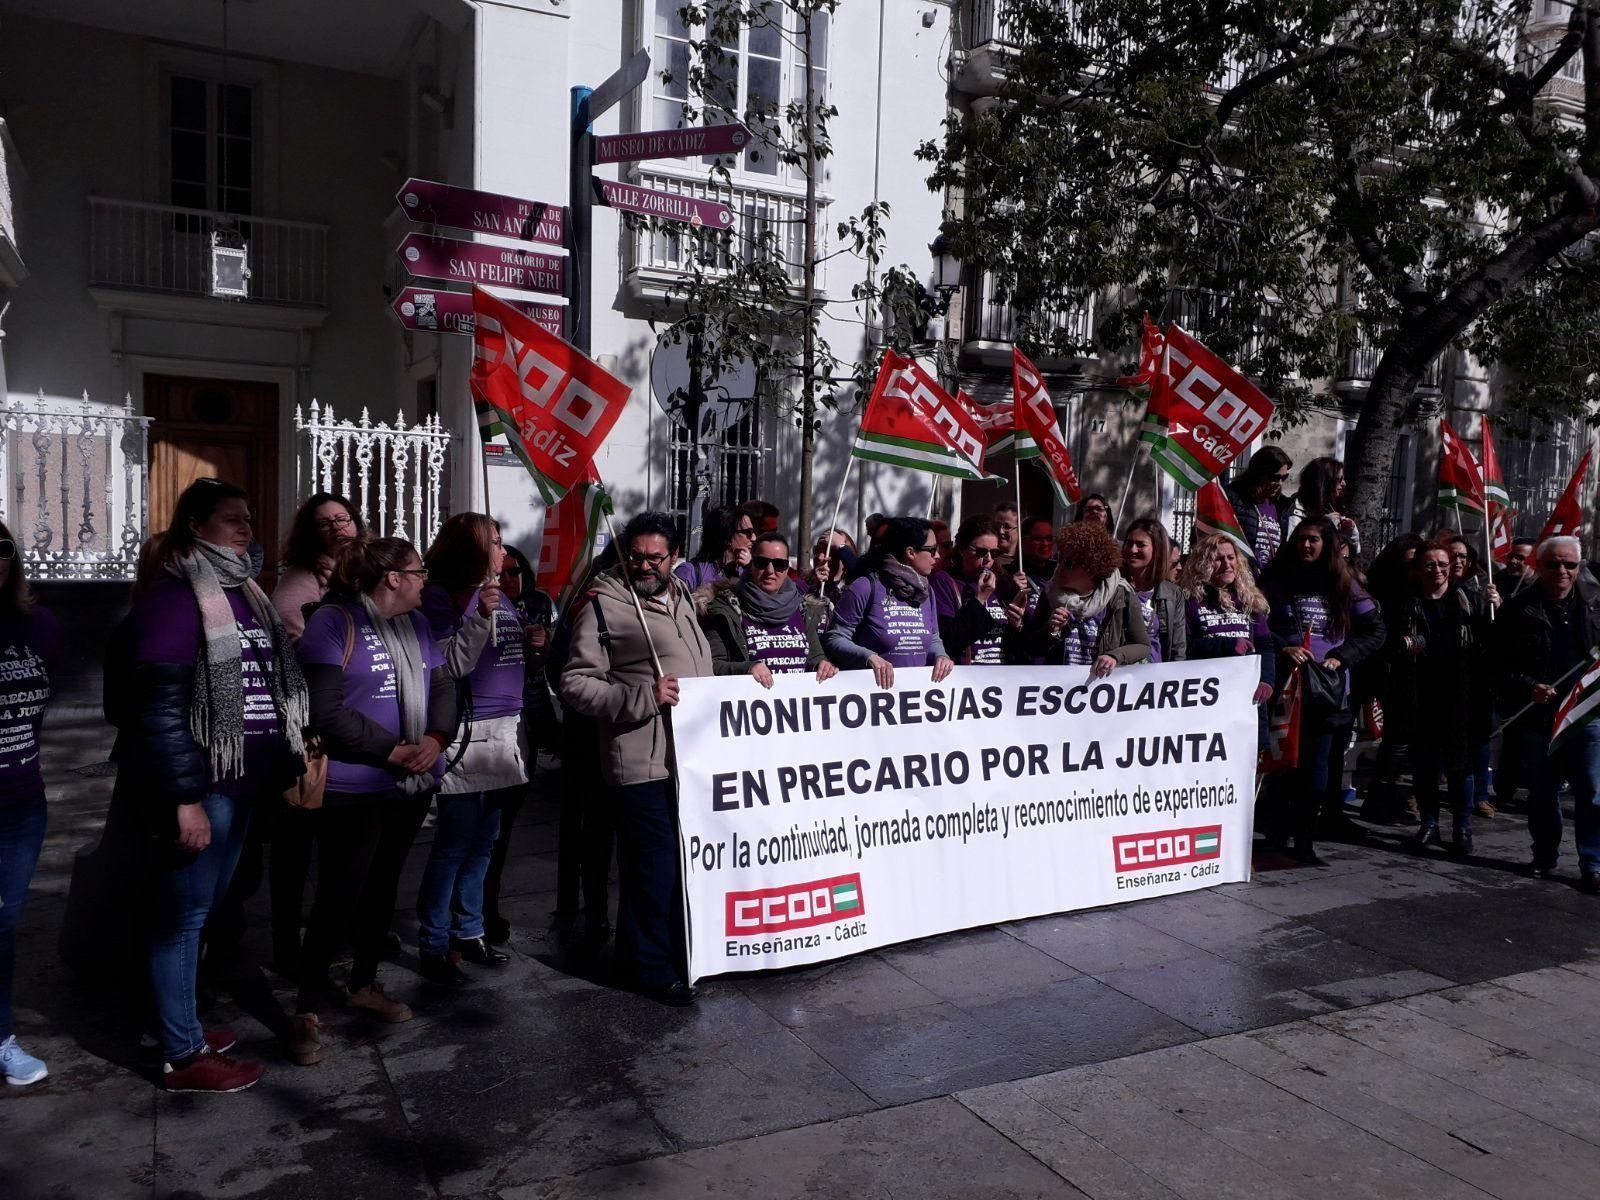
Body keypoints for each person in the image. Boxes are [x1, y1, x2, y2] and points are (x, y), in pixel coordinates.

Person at [127, 479, 308, 1092]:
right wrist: (184, 799)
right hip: (203, 789)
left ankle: (177, 1020)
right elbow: (159, 708)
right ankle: (181, 1053)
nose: (246, 529)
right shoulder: (175, 599)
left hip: (241, 785)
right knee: (181, 917)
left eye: (249, 518)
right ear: (194, 526)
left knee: (202, 913)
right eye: (231, 519)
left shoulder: (246, 594)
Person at [561, 512, 747, 1005]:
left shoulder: (681, 596)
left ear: (675, 558)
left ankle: (650, 954)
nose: (645, 565)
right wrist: (643, 695)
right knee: (653, 867)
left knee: (679, 865)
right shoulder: (603, 605)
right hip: (640, 759)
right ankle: (648, 970)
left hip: (690, 759)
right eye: (637, 556)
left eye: (655, 557)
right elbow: (575, 683)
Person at [291, 537, 458, 1065]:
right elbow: (325, 709)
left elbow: (445, 685)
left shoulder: (419, 625)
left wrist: (435, 739)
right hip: (353, 784)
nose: (424, 579)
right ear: (391, 577)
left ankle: (363, 982)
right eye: (418, 571)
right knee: (339, 895)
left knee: (383, 887)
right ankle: (306, 1007)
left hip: (406, 783)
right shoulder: (334, 623)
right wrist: (393, 748)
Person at [417, 514, 524, 983]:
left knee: (485, 841)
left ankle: (470, 930)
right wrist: (479, 613)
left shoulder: (501, 595)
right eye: (495, 544)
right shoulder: (440, 599)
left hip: (507, 728)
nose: (504, 553)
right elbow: (452, 665)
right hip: (468, 731)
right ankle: (434, 941)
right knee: (453, 844)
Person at [1262, 517, 1385, 864]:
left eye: (1314, 540)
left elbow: (1376, 632)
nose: (1306, 546)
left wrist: (1341, 657)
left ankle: (1305, 841)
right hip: (1287, 689)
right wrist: (1283, 645)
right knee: (1282, 766)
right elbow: (1258, 626)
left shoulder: (1346, 585)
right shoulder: (1279, 579)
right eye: (1301, 539)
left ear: (1327, 544)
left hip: (1328, 693)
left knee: (1316, 771)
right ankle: (1275, 834)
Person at [1497, 535, 1600, 889]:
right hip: (1540, 717)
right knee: (1542, 792)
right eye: (1553, 564)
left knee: (1592, 791)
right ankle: (1544, 855)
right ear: (1538, 566)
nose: (1562, 571)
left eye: (1570, 565)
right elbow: (1499, 664)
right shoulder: (1518, 608)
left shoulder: (1595, 604)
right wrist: (1529, 686)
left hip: (1587, 713)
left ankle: (1593, 864)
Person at [1387, 545, 1498, 854]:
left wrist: (1495, 610)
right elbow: (1394, 643)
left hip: (1461, 695)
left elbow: (1491, 642)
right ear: (1419, 569)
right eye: (1429, 564)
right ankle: (1430, 824)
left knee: (1460, 767)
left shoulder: (1469, 600)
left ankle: (1462, 827)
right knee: (1425, 767)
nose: (1437, 569)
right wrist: (1406, 645)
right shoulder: (1409, 604)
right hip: (1421, 694)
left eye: (1442, 563)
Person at [0, 522, 60, 1087]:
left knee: (5, 925)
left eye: (0, 549)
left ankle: (2, 1038)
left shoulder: (37, 625)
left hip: (21, 803)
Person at [483, 544, 554, 946]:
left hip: (524, 733)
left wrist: (540, 647)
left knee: (501, 830)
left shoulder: (533, 610)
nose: (509, 579)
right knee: (481, 835)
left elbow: (538, 674)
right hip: (489, 734)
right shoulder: (479, 609)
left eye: (515, 572)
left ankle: (486, 908)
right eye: (502, 571)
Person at [823, 517, 956, 688]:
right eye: (932, 549)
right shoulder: (865, 586)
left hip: (915, 698)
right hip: (871, 697)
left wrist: (941, 656)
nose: (937, 556)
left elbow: (933, 638)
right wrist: (868, 657)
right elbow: (835, 637)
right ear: (910, 552)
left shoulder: (926, 591)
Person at [699, 531, 837, 682]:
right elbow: (712, 666)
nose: (770, 571)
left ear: (787, 569)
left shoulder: (803, 609)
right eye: (762, 563)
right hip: (749, 702)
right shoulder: (726, 610)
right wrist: (747, 668)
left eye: (779, 564)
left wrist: (822, 666)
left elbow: (815, 657)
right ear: (751, 564)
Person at [1360, 533, 1428, 824]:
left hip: (1417, 675)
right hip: (1390, 674)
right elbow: (1379, 637)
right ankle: (1379, 800)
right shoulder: (1384, 595)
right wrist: (1408, 643)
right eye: (1410, 562)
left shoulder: (1423, 593)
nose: (1416, 569)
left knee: (1407, 741)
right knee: (1396, 740)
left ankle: (1392, 797)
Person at [1025, 521, 1150, 674]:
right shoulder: (1051, 593)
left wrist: (1114, 657)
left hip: (1098, 690)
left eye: (1070, 563)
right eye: (1061, 559)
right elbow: (1031, 647)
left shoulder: (1121, 595)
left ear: (1092, 568)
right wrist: (1052, 631)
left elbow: (1143, 646)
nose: (1061, 567)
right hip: (1060, 689)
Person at [1179, 535, 1275, 712]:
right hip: (1207, 697)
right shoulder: (1190, 601)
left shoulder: (1249, 599)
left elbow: (1265, 646)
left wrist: (1267, 680)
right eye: (1218, 559)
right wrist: (1227, 645)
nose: (1227, 564)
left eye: (1231, 557)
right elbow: (1185, 647)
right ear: (1204, 563)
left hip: (1248, 696)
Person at [931, 516, 1027, 666]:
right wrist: (980, 599)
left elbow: (1024, 647)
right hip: (968, 676)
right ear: (962, 548)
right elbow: (948, 640)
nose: (988, 559)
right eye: (981, 552)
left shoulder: (1005, 584)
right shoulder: (945, 582)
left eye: (994, 553)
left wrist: (1018, 625)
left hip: (1003, 676)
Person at [272, 494, 365, 640]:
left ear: (355, 521)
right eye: (324, 524)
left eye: (341, 519)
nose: (336, 527)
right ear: (310, 533)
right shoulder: (302, 575)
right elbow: (292, 631)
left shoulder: (369, 564)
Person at [1122, 518, 1187, 663]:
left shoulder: (1173, 594)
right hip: (1118, 676)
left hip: (1156, 680)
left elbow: (1178, 648)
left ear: (1157, 550)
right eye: (1129, 543)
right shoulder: (1114, 587)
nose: (1132, 549)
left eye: (1140, 545)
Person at [1225, 446, 1293, 569]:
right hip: (1239, 577)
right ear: (1259, 474)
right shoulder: (1232, 498)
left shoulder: (1281, 505)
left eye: (1284, 478)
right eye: (1275, 477)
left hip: (1266, 582)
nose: (1279, 483)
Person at [1285, 457, 1360, 557]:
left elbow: (1352, 554)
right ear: (1325, 481)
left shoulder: (1329, 508)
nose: (1344, 484)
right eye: (1339, 479)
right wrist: (1324, 526)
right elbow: (1291, 551)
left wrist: (1352, 535)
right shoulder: (1296, 510)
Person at [674, 505, 755, 589]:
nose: (754, 538)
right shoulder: (689, 572)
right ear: (727, 536)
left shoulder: (746, 571)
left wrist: (750, 571)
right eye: (748, 532)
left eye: (753, 532)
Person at [805, 529, 855, 607]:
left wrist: (841, 546)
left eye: (829, 550)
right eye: (817, 550)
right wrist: (816, 585)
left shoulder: (855, 590)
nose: (820, 557)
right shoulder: (804, 585)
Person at [1020, 516, 1057, 589]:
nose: (1045, 544)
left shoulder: (1059, 571)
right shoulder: (1015, 573)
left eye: (1049, 538)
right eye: (1038, 539)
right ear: (1023, 541)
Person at [991, 503, 1020, 570]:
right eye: (997, 526)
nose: (1001, 531)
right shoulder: (987, 559)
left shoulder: (1024, 562)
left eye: (1007, 527)